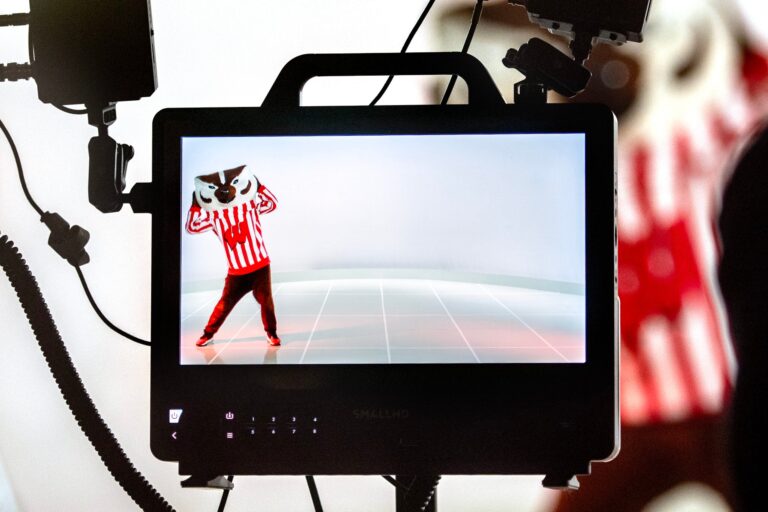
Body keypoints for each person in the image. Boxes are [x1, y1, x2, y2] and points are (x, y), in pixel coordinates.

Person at [185, 165, 280, 347]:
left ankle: (271, 333)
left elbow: (272, 203)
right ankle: (208, 333)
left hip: (260, 265)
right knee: (224, 305)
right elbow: (192, 227)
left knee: (267, 302)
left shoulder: (250, 206)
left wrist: (258, 186)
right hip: (236, 271)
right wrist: (195, 205)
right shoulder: (215, 216)